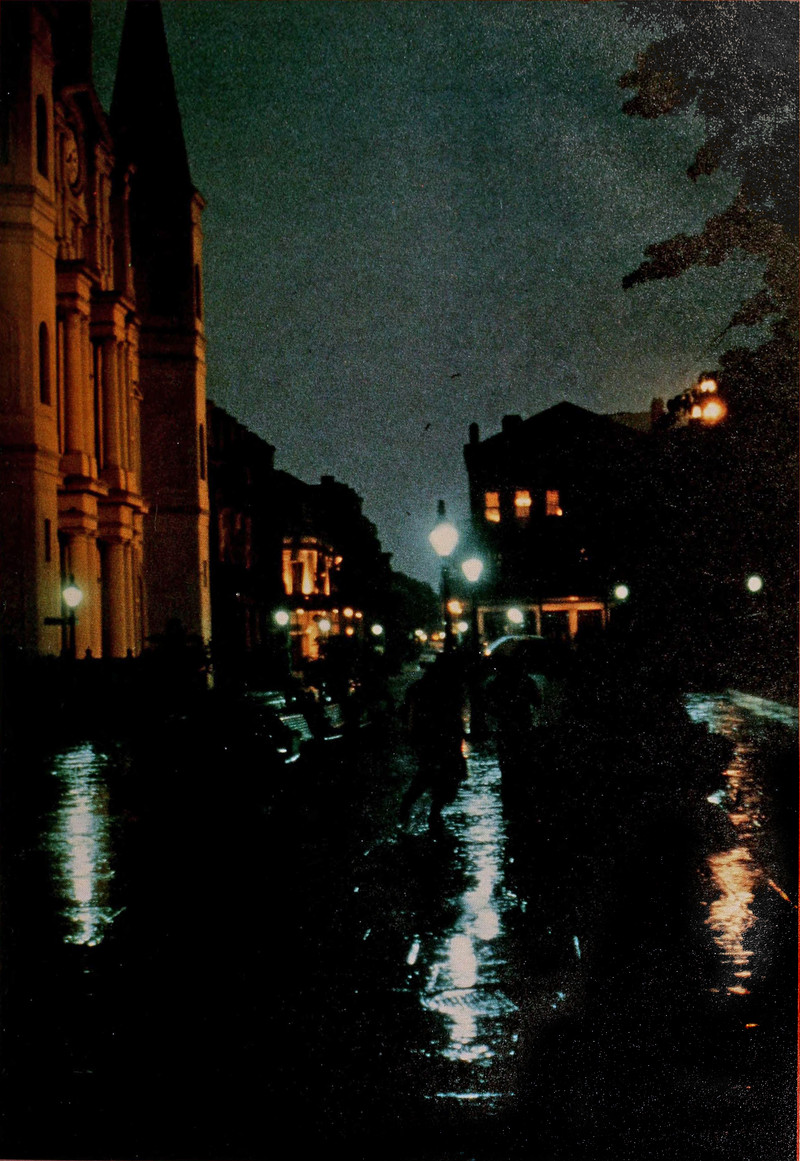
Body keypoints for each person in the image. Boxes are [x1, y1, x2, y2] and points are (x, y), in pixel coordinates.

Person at [398, 654, 467, 831]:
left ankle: (414, 806)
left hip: (428, 738)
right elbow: (456, 715)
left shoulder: (420, 686)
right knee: (441, 774)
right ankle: (432, 812)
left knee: (429, 773)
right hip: (442, 737)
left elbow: (405, 712)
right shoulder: (452, 687)